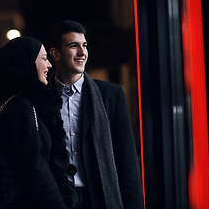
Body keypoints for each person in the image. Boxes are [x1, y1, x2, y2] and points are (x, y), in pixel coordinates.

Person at [46, 20, 144, 209]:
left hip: (98, 198)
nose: (82, 53)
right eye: (73, 46)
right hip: (58, 199)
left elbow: (127, 161)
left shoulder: (110, 95)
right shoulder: (42, 98)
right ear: (55, 54)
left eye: (84, 46)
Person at [0, 36, 81, 209]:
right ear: (27, 63)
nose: (50, 65)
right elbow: (34, 169)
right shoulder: (20, 107)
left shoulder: (20, 104)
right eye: (44, 59)